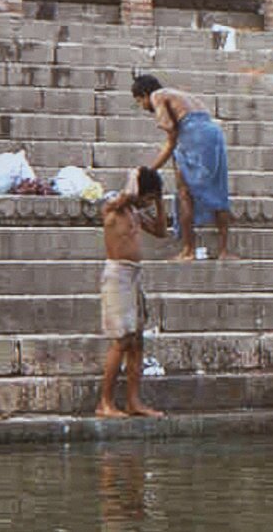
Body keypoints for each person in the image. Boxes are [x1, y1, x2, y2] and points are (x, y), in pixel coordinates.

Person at [131, 75, 234, 261]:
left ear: (145, 94)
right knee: (219, 191)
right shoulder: (179, 95)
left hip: (194, 134)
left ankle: (189, 250)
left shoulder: (157, 96)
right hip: (213, 133)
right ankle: (224, 251)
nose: (143, 106)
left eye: (139, 101)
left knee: (184, 193)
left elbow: (170, 136)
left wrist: (148, 171)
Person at [96, 167, 167, 419]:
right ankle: (104, 403)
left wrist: (158, 201)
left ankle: (133, 402)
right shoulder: (114, 207)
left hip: (134, 276)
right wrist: (135, 177)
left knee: (137, 341)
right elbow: (127, 194)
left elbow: (161, 231)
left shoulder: (136, 213)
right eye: (147, 197)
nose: (147, 202)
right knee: (122, 340)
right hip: (118, 276)